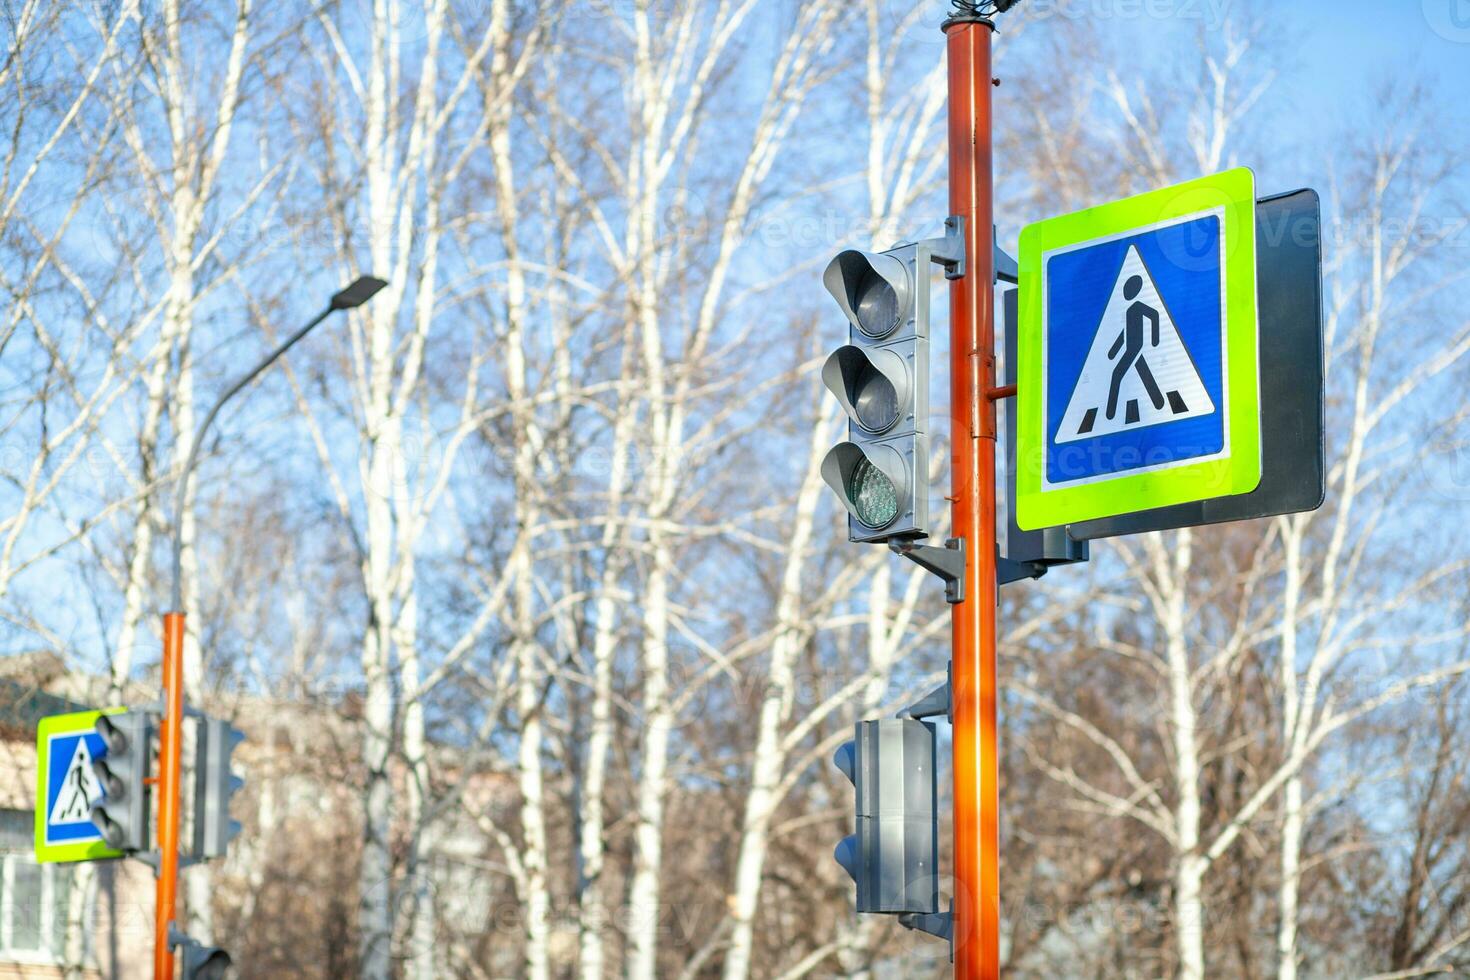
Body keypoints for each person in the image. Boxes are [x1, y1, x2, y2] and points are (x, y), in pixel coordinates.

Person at [1105, 274, 1167, 420]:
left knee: (1116, 374)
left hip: (1136, 347)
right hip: (1131, 347)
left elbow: (1154, 315)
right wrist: (1113, 351)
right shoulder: (1129, 310)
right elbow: (1125, 332)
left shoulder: (1138, 306)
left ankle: (1109, 414)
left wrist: (1155, 339)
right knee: (1144, 373)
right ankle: (1159, 402)